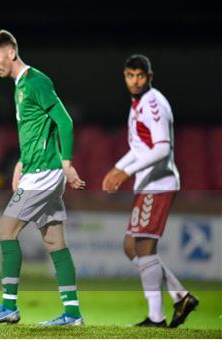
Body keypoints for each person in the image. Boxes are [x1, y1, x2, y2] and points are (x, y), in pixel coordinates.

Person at [0, 30, 86, 327]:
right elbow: (38, 129)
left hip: (44, 174)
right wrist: (20, 163)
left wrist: (66, 163)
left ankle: (8, 306)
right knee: (54, 241)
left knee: (5, 230)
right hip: (36, 169)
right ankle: (72, 312)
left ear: (10, 51)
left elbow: (64, 120)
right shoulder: (20, 86)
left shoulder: (36, 81)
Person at [102, 54, 199, 328]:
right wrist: (117, 167)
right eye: (130, 75)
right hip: (148, 184)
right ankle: (180, 296)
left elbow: (162, 148)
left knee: (144, 247)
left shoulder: (153, 103)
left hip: (159, 184)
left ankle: (157, 317)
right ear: (124, 76)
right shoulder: (138, 104)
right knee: (132, 247)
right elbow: (140, 148)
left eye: (140, 76)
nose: (135, 81)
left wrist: (125, 172)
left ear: (149, 77)